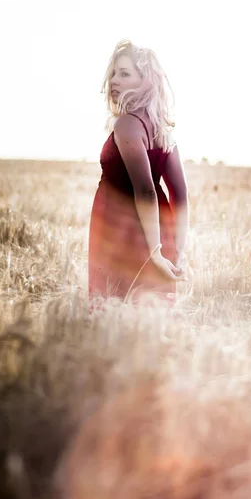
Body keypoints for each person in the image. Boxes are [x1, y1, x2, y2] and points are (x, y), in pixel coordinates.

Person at [88, 39, 189, 305]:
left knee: (113, 315)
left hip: (123, 231)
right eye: (113, 73)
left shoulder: (127, 125)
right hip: (158, 227)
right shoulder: (162, 130)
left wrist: (155, 251)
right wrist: (177, 246)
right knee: (151, 325)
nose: (114, 81)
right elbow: (179, 194)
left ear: (146, 81)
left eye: (124, 73)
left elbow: (145, 190)